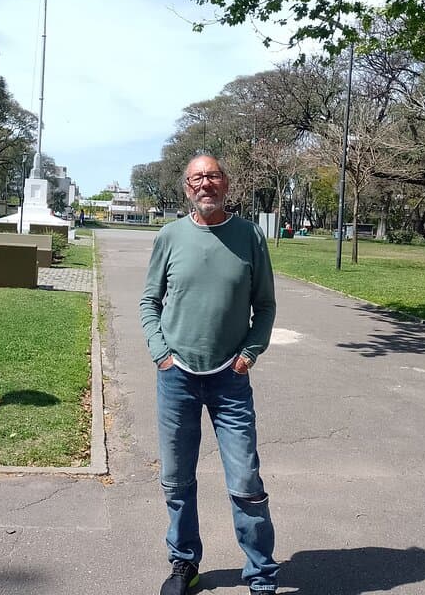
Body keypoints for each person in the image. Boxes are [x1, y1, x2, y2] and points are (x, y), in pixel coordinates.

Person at [140, 154, 279, 595]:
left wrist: (250, 353)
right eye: (198, 177)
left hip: (230, 378)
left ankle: (261, 576)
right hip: (176, 374)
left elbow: (266, 305)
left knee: (245, 480)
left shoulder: (250, 236)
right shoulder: (169, 237)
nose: (206, 184)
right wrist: (161, 353)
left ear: (226, 184)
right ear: (186, 188)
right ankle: (185, 564)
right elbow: (149, 302)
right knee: (177, 478)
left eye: (214, 176)